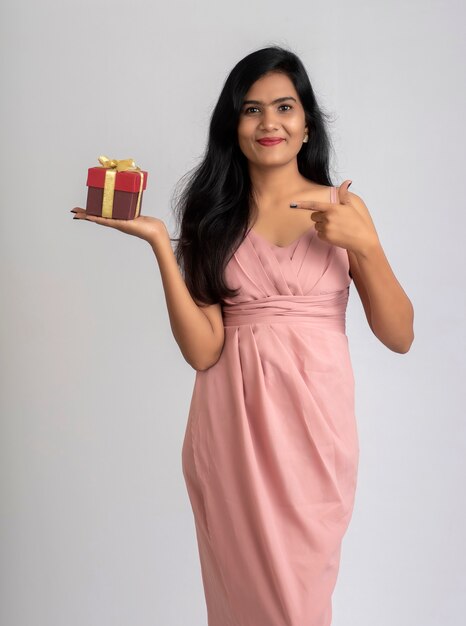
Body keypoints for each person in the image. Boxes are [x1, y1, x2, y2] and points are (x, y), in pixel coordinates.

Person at [71, 45, 414, 626]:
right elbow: (203, 349)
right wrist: (161, 242)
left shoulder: (344, 208)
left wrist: (365, 245)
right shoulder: (212, 219)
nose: (269, 123)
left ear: (307, 123)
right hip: (231, 433)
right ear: (234, 126)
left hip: (315, 435)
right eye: (251, 110)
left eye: (284, 106)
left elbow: (399, 335)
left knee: (298, 605)